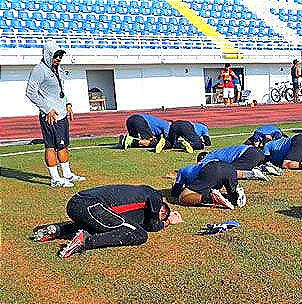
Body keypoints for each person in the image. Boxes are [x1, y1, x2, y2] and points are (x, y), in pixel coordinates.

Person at [30, 185, 183, 259]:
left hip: (77, 203)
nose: (160, 215)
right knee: (139, 234)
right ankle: (85, 242)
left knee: (110, 226)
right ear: (162, 207)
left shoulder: (137, 204)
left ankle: (57, 230)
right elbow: (152, 223)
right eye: (163, 213)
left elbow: (147, 223)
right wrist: (168, 221)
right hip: (92, 205)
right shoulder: (153, 195)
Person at [25, 40, 85, 188]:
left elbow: (60, 90)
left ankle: (67, 174)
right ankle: (55, 179)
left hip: (62, 114)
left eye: (60, 56)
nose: (58, 58)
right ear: (48, 54)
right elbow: (30, 92)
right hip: (50, 116)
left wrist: (68, 103)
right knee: (51, 146)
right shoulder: (39, 70)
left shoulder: (57, 69)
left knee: (63, 145)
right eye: (55, 55)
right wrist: (47, 109)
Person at [171, 158, 245, 210]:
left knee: (183, 197)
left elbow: (175, 193)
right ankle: (236, 194)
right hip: (229, 167)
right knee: (232, 198)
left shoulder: (184, 170)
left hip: (211, 170)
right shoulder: (211, 160)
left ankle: (212, 198)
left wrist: (176, 187)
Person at [196, 145, 283, 179]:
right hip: (255, 152)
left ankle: (253, 173)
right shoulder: (218, 152)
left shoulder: (208, 157)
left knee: (229, 172)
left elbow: (200, 166)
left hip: (248, 154)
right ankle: (264, 168)